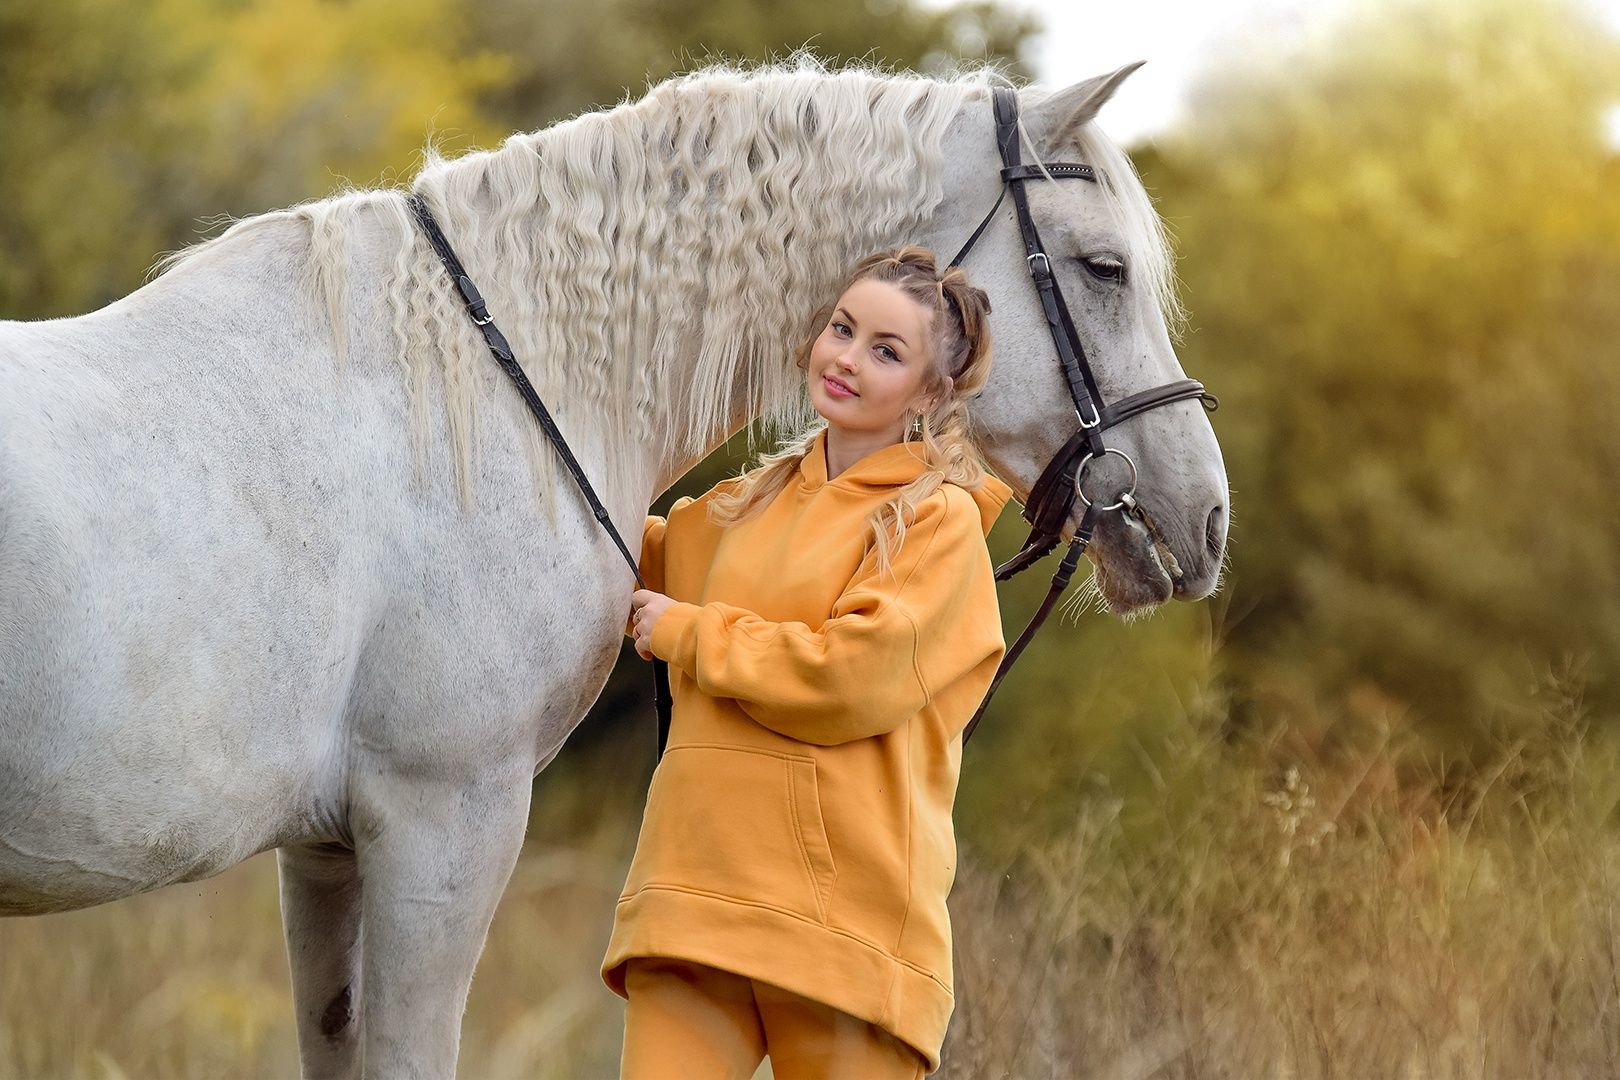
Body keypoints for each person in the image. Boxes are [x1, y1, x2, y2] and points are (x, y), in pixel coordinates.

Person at [602, 244, 1013, 1079]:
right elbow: (614, 558)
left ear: (933, 393)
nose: (848, 359)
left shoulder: (939, 526)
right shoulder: (742, 504)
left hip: (843, 937)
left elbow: (846, 678)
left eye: (886, 350)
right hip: (695, 900)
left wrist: (688, 631)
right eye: (843, 329)